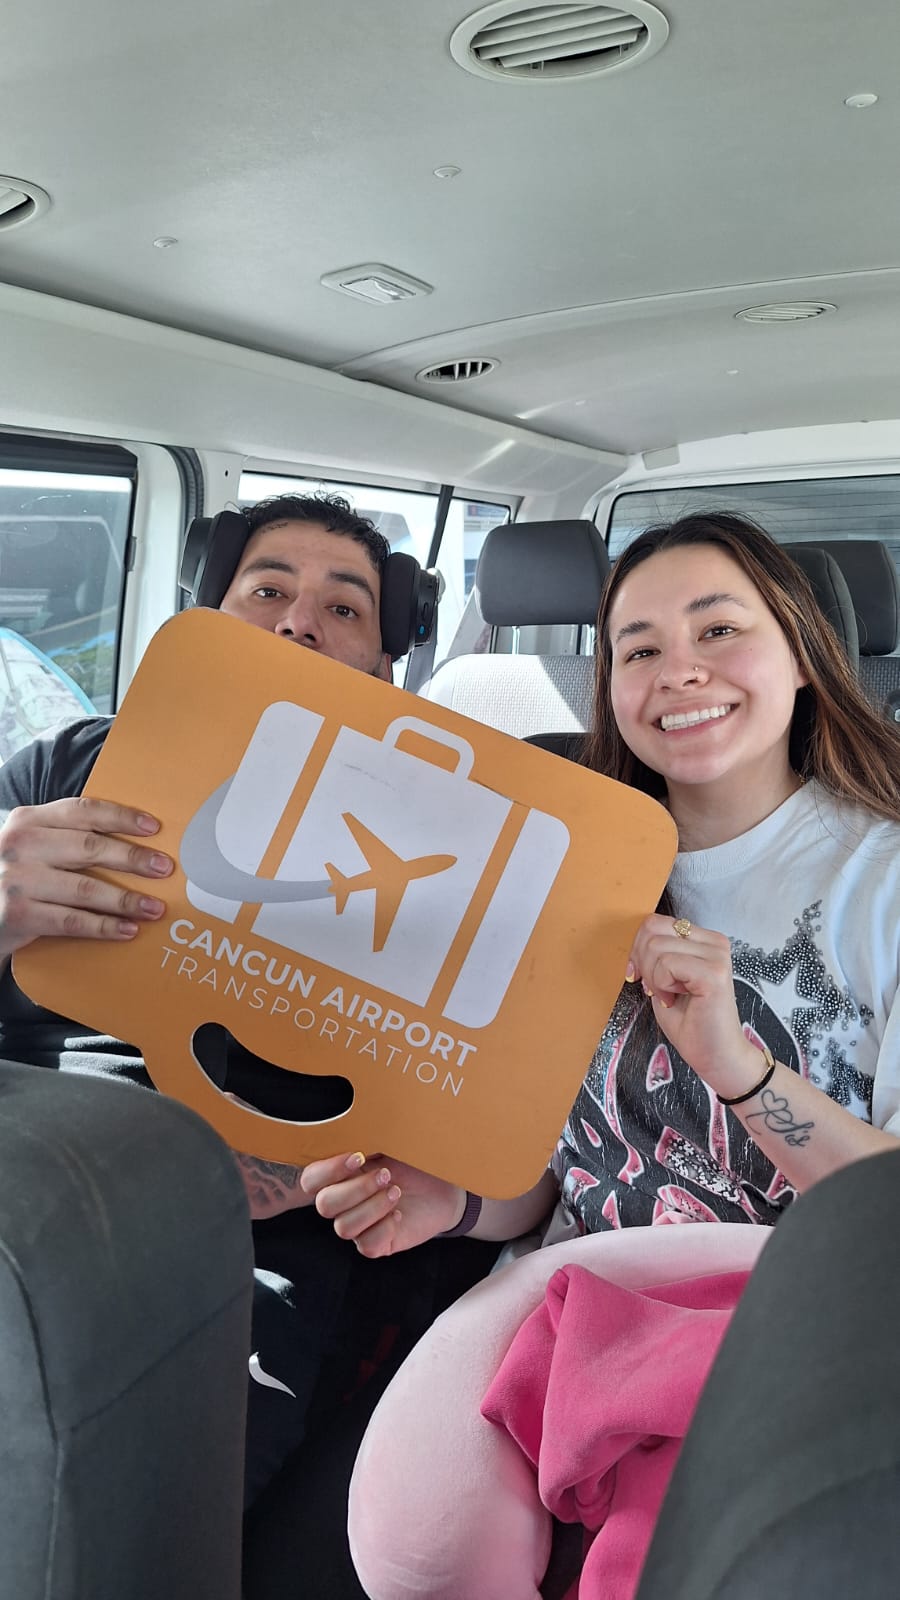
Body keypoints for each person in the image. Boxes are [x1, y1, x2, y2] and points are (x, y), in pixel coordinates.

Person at [315, 511, 900, 1600]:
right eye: (638, 647)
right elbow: (550, 1173)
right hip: (563, 1317)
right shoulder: (554, 861)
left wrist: (742, 1070)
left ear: (805, 655)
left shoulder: (881, 873)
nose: (682, 671)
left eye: (720, 629)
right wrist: (452, 1199)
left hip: (792, 1313)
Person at [0, 491, 499, 1526]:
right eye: (266, 589)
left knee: (121, 1509)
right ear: (208, 615)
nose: (296, 621)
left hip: (250, 1234)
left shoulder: (449, 841)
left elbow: (466, 1099)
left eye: (343, 608)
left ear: (384, 657)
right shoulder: (67, 768)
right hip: (26, 1165)